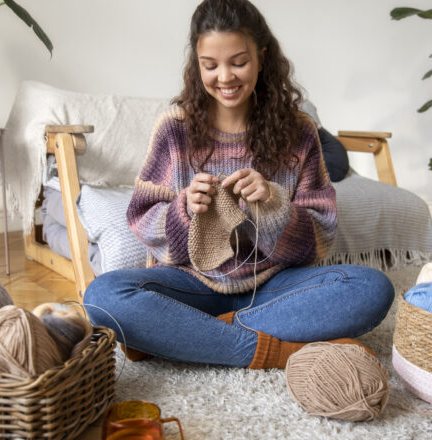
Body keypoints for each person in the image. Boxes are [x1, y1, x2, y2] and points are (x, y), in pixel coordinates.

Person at [84, 0, 394, 369]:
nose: (225, 77)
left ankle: (186, 336)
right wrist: (184, 210)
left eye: (239, 62)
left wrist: (275, 206)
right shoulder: (174, 128)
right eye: (210, 65)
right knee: (103, 296)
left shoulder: (299, 131)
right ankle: (273, 350)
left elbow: (320, 239)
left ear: (262, 57)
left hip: (273, 289)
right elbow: (141, 217)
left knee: (372, 289)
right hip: (191, 286)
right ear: (196, 63)